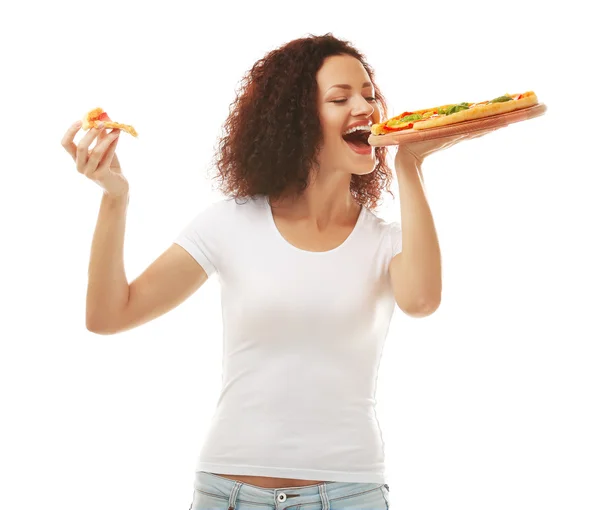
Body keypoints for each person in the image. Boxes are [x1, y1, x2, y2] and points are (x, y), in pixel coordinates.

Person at [61, 32, 497, 510]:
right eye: (340, 98)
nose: (366, 109)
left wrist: (410, 161)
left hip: (350, 494)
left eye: (370, 96)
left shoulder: (386, 241)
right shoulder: (230, 223)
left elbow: (421, 301)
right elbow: (108, 314)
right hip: (228, 495)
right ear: (296, 119)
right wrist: (114, 197)